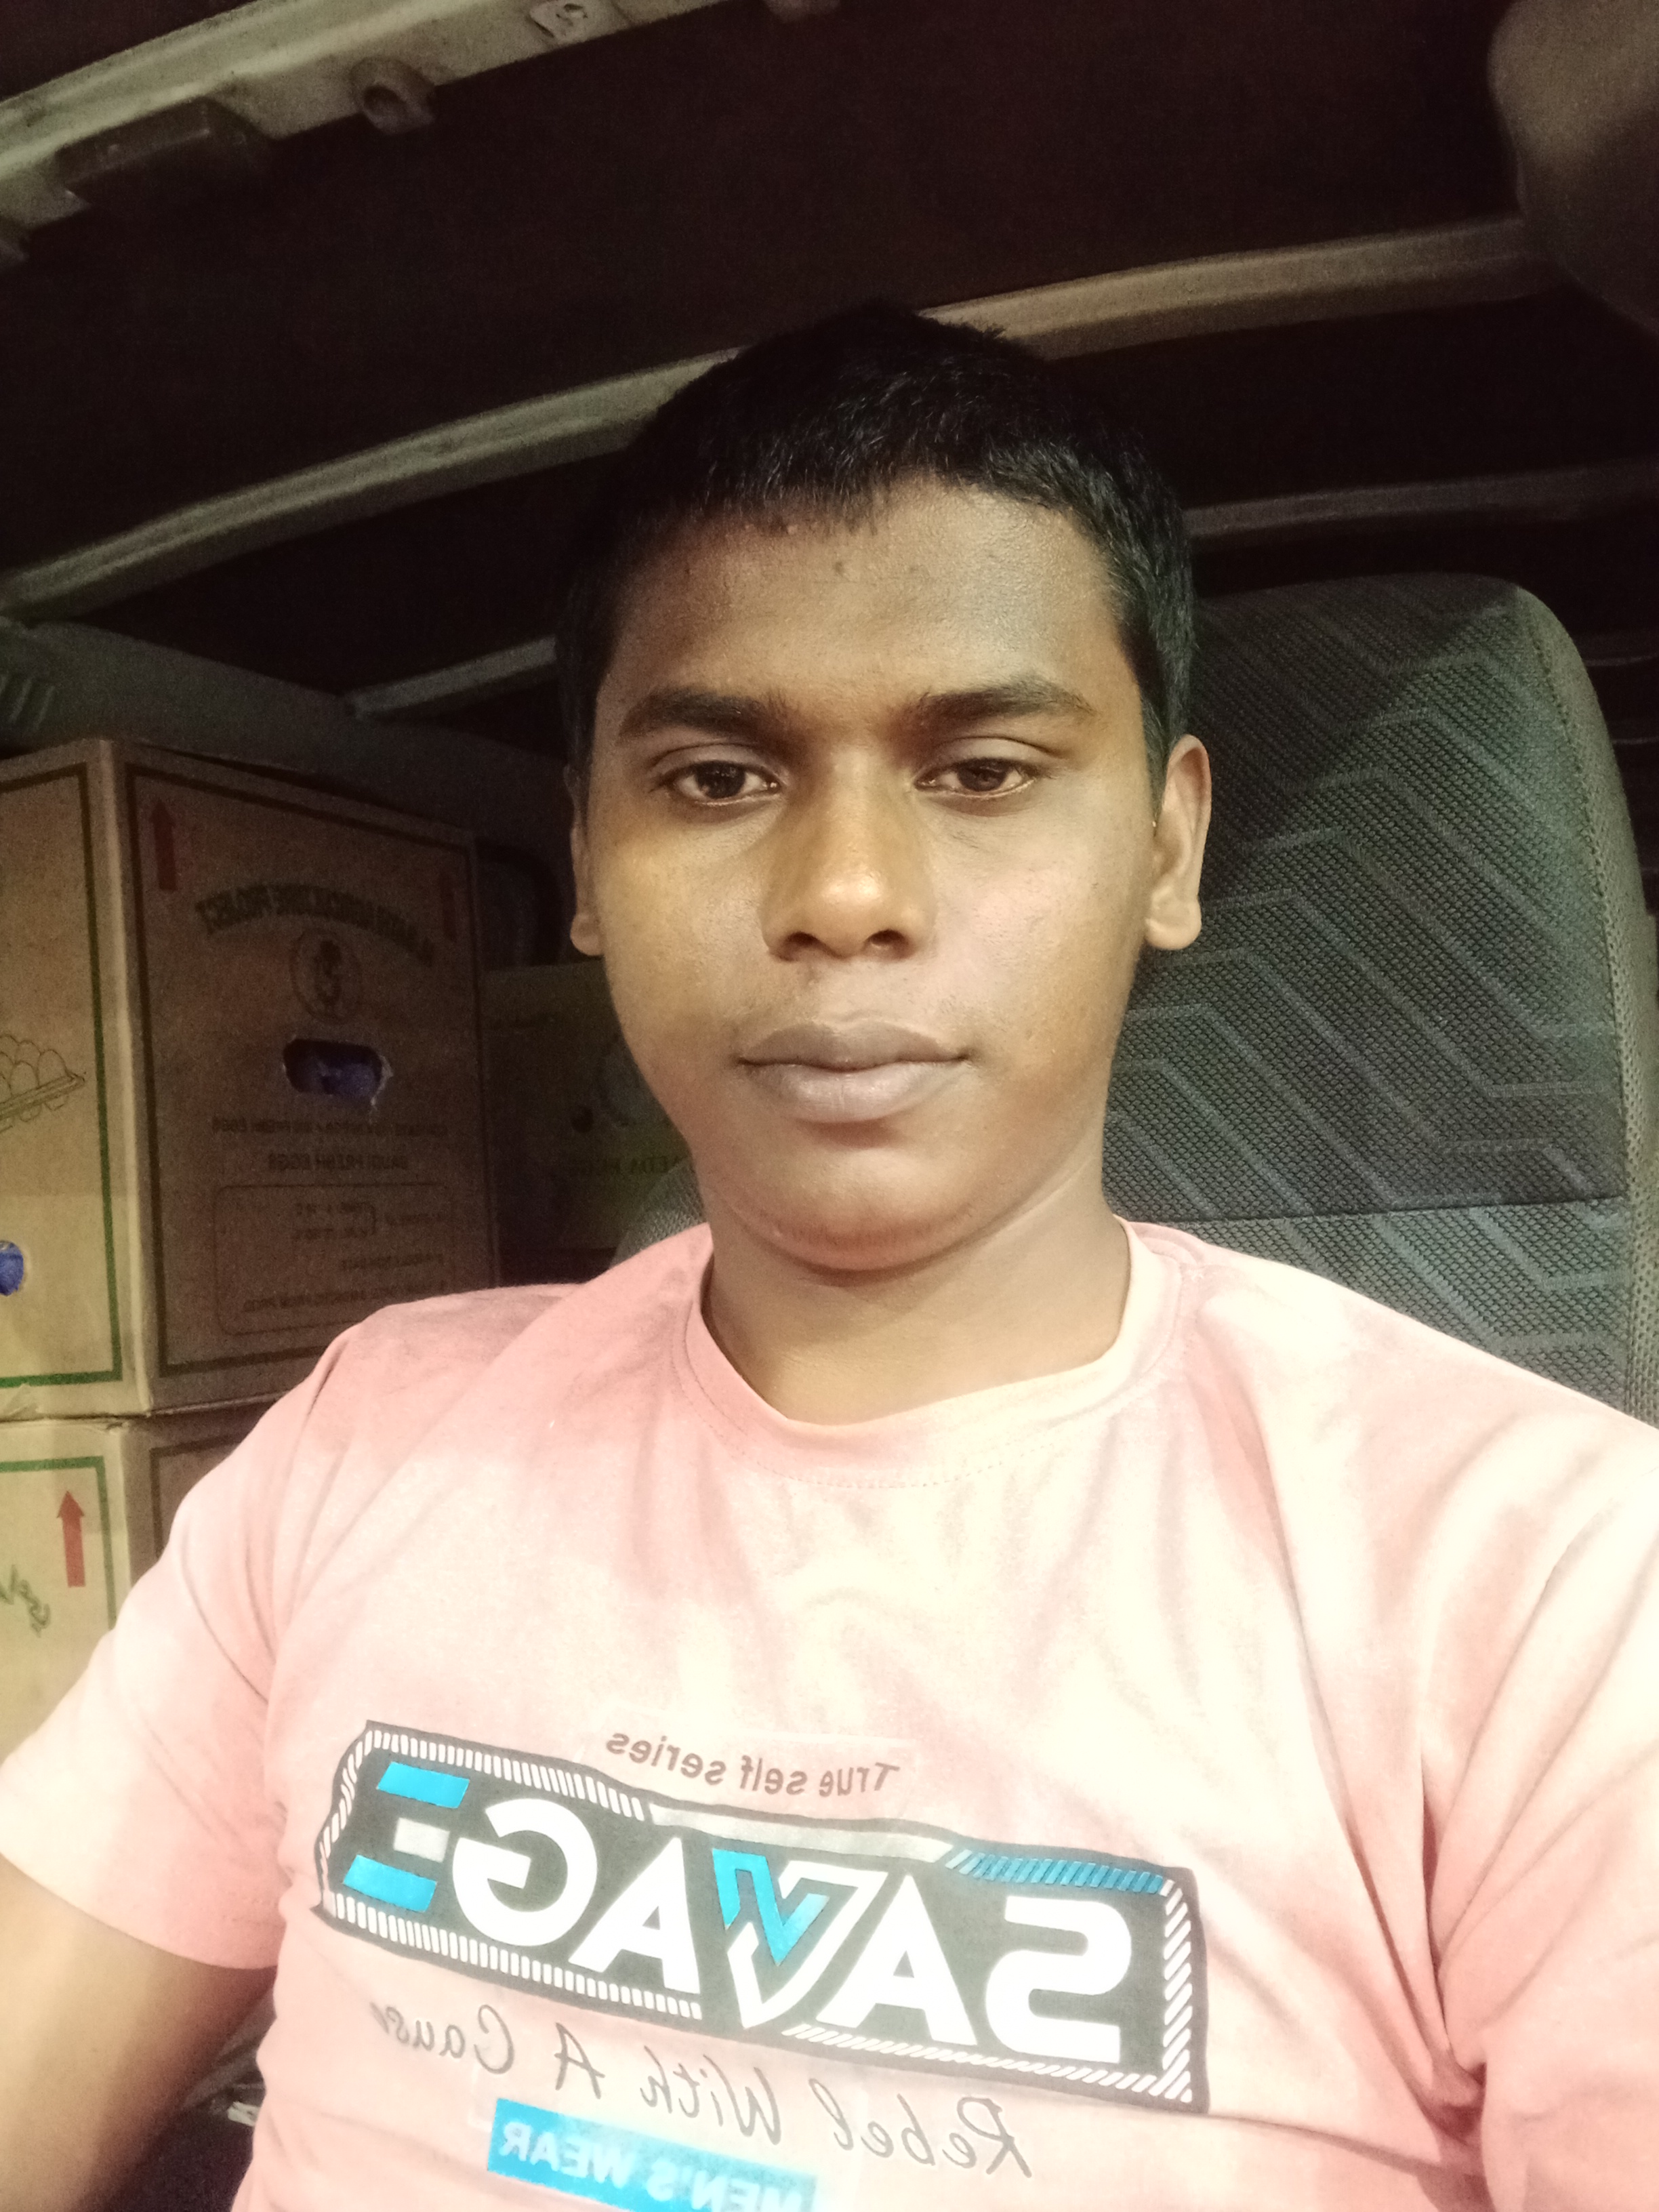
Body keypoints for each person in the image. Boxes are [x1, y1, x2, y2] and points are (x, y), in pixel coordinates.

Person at [1, 304, 1656, 2212]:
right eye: (719, 779)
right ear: (589, 864)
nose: (846, 896)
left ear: (1167, 846)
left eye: (985, 770)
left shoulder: (1555, 1589)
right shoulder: (361, 1443)